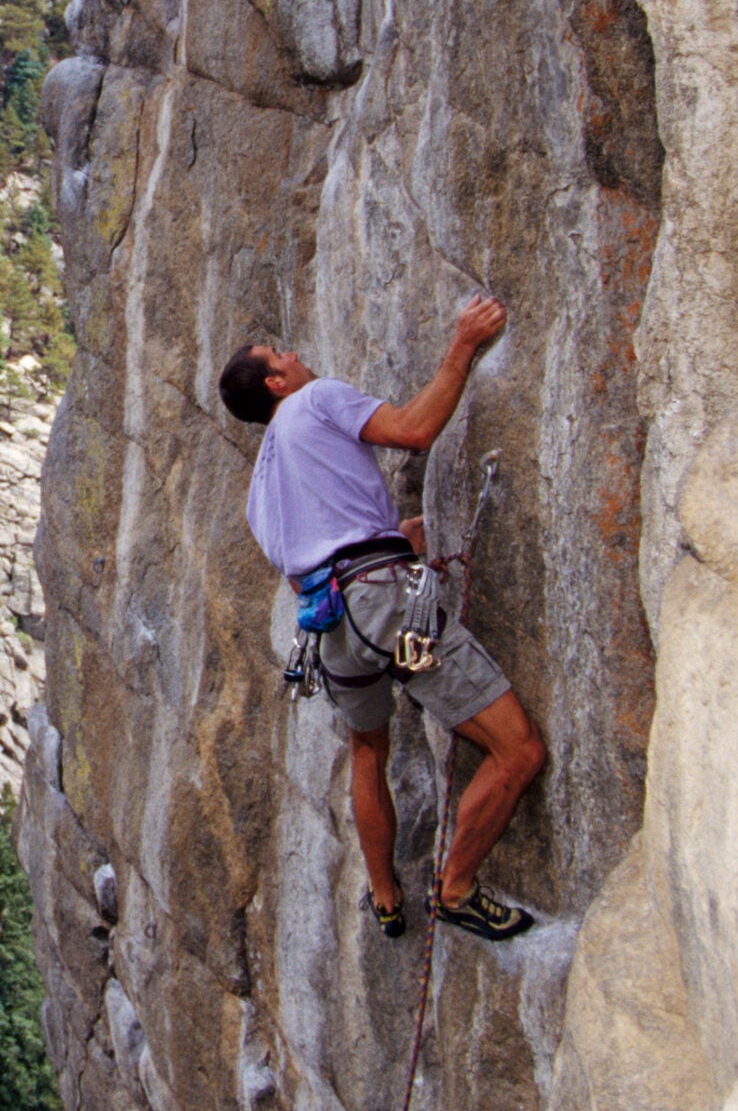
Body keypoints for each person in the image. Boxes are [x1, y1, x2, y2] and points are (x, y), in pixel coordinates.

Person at [219, 298, 545, 942]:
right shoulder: (316, 401)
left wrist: (392, 538)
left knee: (368, 748)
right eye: (280, 355)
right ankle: (455, 891)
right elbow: (413, 429)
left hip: (331, 631)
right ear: (276, 383)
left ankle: (386, 895)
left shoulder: (259, 492)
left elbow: (308, 563)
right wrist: (463, 344)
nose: (293, 354)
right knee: (518, 750)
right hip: (387, 610)